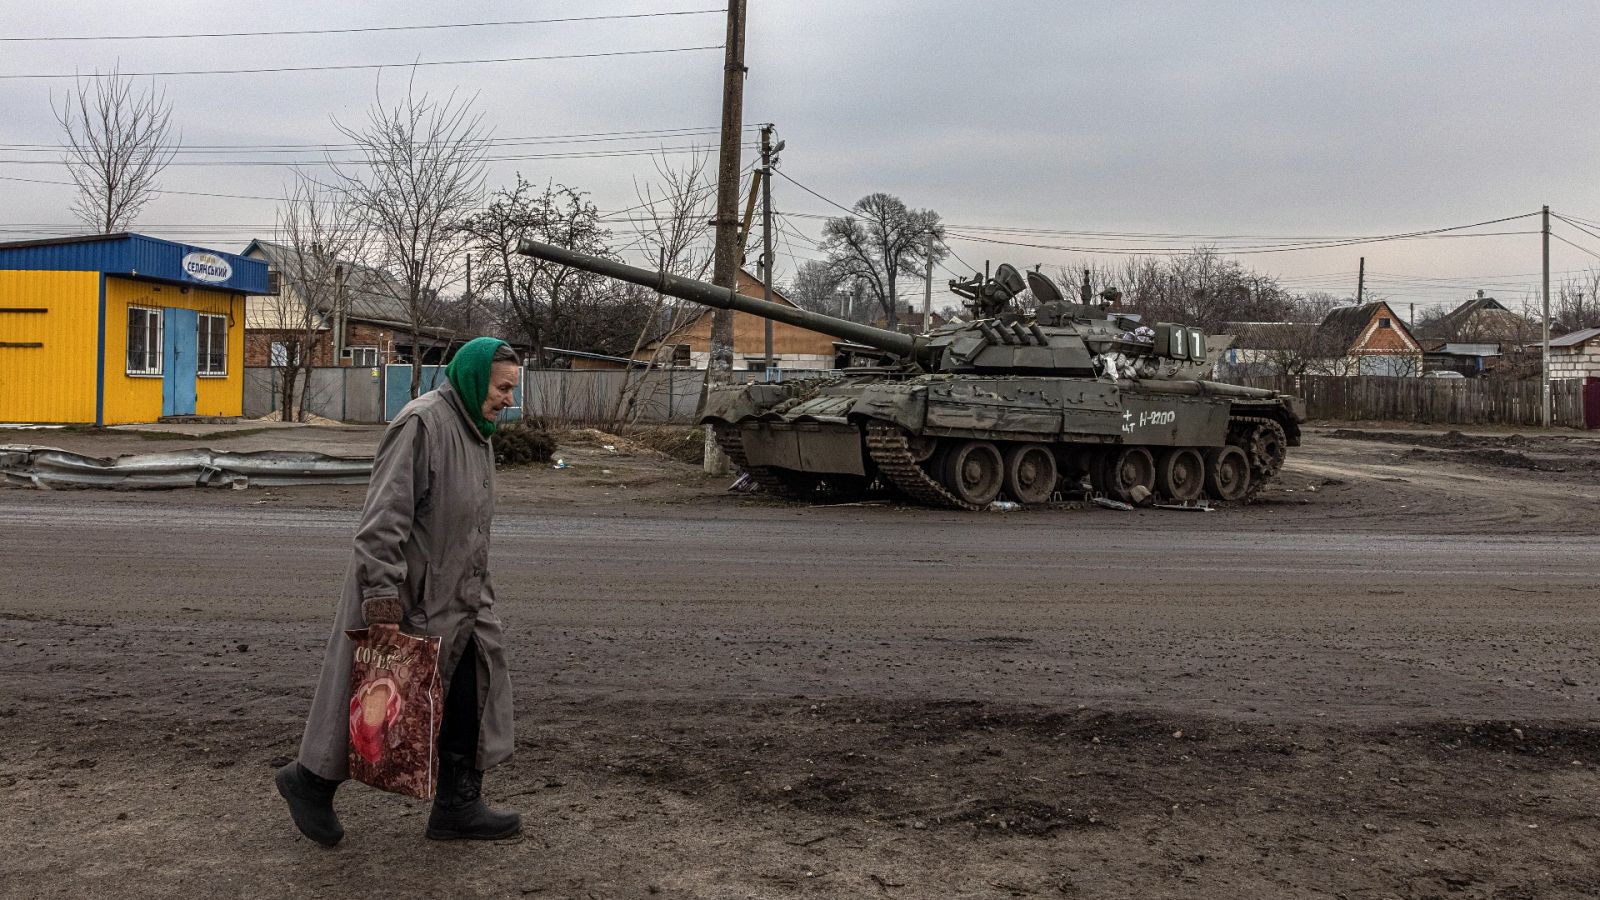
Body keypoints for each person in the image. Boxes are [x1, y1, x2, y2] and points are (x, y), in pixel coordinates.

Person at [276, 338, 523, 846]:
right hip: (412, 595)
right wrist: (382, 599)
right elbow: (382, 520)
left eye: (512, 390)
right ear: (475, 378)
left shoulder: (477, 432)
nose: (509, 399)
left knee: (471, 690)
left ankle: (458, 807)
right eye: (502, 388)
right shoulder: (422, 424)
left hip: (464, 595)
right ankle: (310, 782)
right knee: (379, 698)